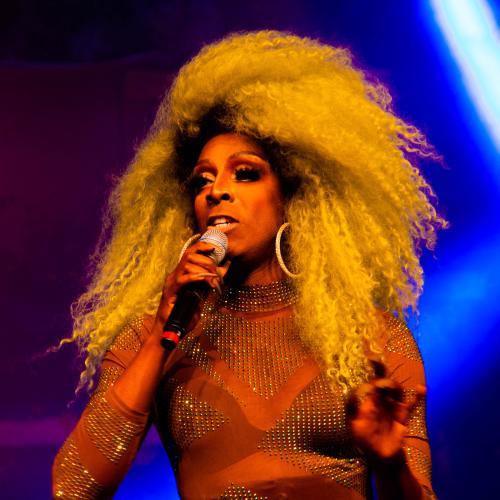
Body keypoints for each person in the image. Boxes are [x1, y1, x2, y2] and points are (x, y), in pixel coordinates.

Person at [52, 30, 447, 499]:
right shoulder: (154, 335)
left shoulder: (372, 336)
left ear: (294, 198)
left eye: (245, 173)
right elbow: (73, 486)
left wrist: (390, 463)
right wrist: (162, 333)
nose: (217, 191)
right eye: (202, 181)